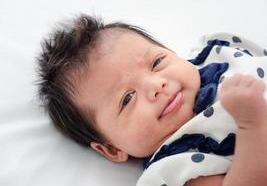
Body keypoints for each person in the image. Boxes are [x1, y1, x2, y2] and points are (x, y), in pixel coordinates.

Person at [36, 14, 267, 186]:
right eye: (127, 99)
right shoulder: (176, 166)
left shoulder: (217, 53)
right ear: (111, 149)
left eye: (157, 63)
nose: (156, 86)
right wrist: (252, 125)